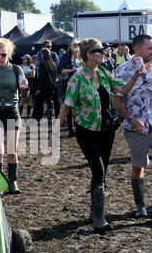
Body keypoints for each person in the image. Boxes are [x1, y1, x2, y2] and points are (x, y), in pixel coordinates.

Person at [48, 38, 142, 234]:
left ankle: (94, 211)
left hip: (107, 130)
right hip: (86, 131)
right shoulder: (78, 78)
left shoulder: (104, 73)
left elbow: (122, 90)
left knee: (102, 172)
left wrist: (135, 76)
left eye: (103, 50)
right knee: (98, 171)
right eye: (99, 50)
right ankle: (99, 218)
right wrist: (55, 133)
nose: (103, 53)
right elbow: (66, 107)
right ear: (88, 55)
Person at [113, 34, 152, 218]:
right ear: (137, 50)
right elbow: (117, 102)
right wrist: (129, 118)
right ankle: (141, 206)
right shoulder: (121, 71)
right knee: (138, 166)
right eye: (150, 48)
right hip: (137, 127)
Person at [0, 38, 27, 194]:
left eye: (3, 55)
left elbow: (23, 88)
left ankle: (13, 181)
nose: (0, 58)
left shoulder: (16, 70)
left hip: (11, 110)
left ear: (9, 54)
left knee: (11, 151)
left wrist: (25, 87)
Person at [57, 43, 81, 137]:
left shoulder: (79, 57)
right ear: (70, 47)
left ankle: (77, 127)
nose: (76, 49)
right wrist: (72, 70)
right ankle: (71, 129)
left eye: (77, 47)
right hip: (68, 84)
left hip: (79, 83)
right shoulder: (65, 57)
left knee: (78, 106)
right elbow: (59, 70)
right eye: (74, 47)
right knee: (69, 107)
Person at [32, 48, 58, 122]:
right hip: (52, 86)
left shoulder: (43, 64)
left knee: (38, 101)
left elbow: (41, 78)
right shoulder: (53, 64)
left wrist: (39, 88)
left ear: (43, 55)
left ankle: (39, 116)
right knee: (48, 101)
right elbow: (55, 76)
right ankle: (49, 119)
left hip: (44, 86)